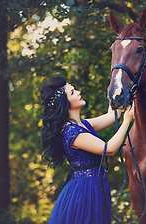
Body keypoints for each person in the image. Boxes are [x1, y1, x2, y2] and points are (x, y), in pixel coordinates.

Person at [40, 76, 134, 224]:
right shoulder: (71, 132)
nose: (78, 92)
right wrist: (127, 121)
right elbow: (108, 149)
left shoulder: (82, 125)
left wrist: (116, 93)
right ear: (65, 103)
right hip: (84, 192)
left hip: (94, 186)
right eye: (72, 92)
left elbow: (113, 116)